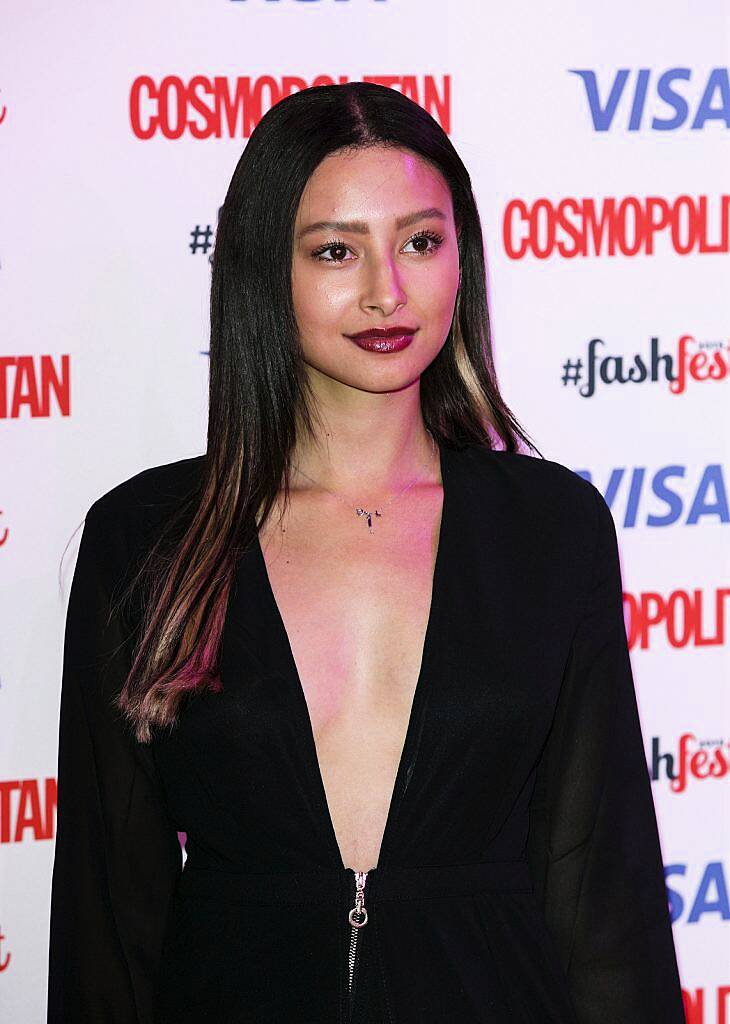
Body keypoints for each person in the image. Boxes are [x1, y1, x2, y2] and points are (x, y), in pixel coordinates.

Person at [46, 82, 686, 1023]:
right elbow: (112, 910)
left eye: (420, 242)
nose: (386, 290)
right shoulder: (146, 540)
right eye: (337, 251)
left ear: (462, 259)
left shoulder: (552, 529)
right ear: (266, 269)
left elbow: (600, 892)